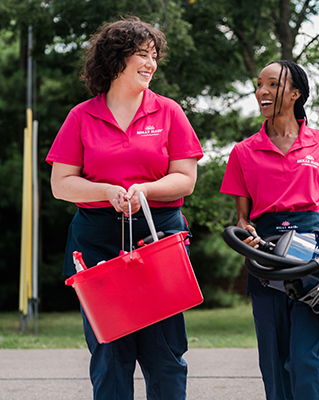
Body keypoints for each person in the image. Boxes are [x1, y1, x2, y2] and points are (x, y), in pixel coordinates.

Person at [46, 17, 203, 400]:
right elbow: (61, 184)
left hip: (158, 237)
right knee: (110, 353)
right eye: (142, 55)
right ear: (116, 60)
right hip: (98, 240)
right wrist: (105, 191)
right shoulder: (82, 116)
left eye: (154, 56)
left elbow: (185, 178)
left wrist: (145, 190)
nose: (151, 64)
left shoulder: (168, 111)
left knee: (164, 352)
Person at [220, 60, 319, 400]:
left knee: (306, 356)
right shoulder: (242, 152)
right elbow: (242, 219)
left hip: (314, 259)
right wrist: (246, 232)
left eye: (272, 85)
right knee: (274, 360)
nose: (261, 91)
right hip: (265, 257)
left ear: (296, 93)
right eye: (259, 85)